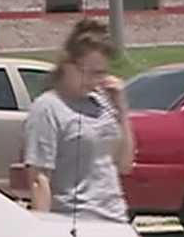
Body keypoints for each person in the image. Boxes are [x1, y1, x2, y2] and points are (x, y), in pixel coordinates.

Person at [23, 19, 135, 225]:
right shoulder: (48, 107)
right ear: (67, 65)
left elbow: (124, 165)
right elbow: (39, 179)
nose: (95, 81)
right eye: (89, 72)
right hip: (76, 222)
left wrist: (122, 110)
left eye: (101, 73)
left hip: (116, 218)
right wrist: (42, 232)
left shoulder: (103, 101)